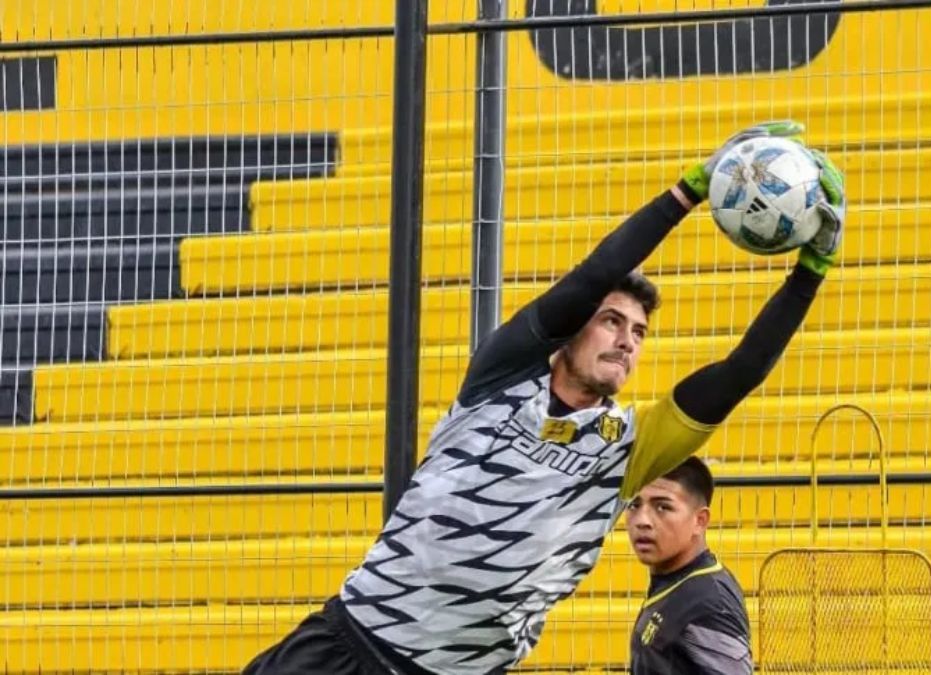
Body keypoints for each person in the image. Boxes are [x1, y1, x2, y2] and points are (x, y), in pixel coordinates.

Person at [244, 120, 846, 675]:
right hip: (346, 647)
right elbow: (590, 276)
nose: (626, 341)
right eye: (611, 321)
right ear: (573, 328)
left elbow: (741, 371)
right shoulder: (501, 379)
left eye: (639, 333)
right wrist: (687, 193)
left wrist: (811, 271)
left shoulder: (628, 450)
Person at [626, 456, 751, 674]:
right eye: (634, 505)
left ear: (700, 521)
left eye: (662, 507)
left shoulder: (710, 602)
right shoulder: (675, 582)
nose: (642, 520)